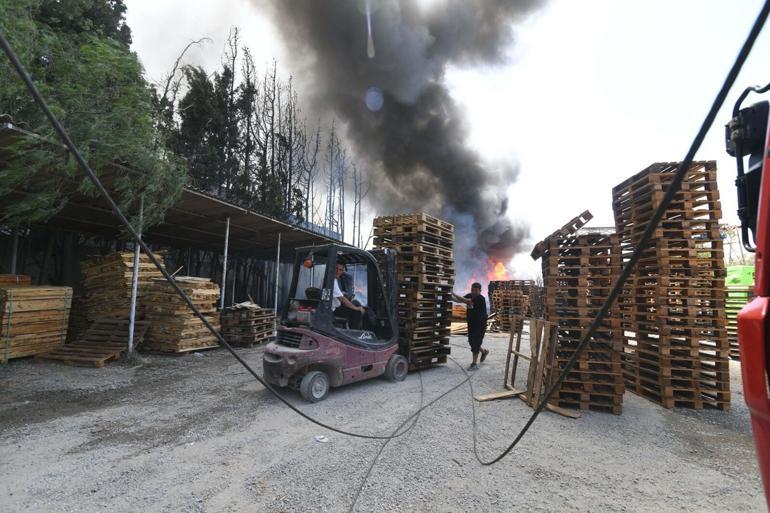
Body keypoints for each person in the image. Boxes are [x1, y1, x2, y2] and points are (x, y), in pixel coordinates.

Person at [451, 282, 489, 370]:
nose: (473, 292)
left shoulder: (480, 299)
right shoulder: (470, 295)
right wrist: (449, 296)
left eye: (476, 290)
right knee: (472, 342)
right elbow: (459, 300)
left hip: (480, 324)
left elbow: (467, 301)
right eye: (472, 290)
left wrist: (453, 293)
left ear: (480, 290)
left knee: (476, 342)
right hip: (471, 323)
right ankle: (484, 352)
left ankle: (474, 364)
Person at [333, 262, 365, 329]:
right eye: (336, 269)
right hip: (333, 310)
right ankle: (355, 332)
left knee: (356, 304)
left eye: (340, 270)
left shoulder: (332, 280)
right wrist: (357, 308)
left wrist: (342, 293)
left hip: (334, 308)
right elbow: (342, 299)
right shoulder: (332, 281)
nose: (337, 271)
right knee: (357, 309)